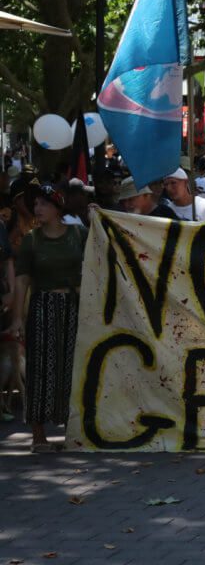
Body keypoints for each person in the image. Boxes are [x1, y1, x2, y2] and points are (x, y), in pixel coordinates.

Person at [5, 185, 86, 452]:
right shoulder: (32, 240)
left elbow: (100, 257)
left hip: (74, 307)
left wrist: (98, 218)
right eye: (35, 204)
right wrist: (17, 318)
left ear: (57, 208)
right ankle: (38, 434)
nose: (37, 209)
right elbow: (22, 280)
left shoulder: (78, 234)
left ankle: (73, 428)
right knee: (40, 368)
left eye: (43, 204)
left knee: (72, 367)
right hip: (42, 307)